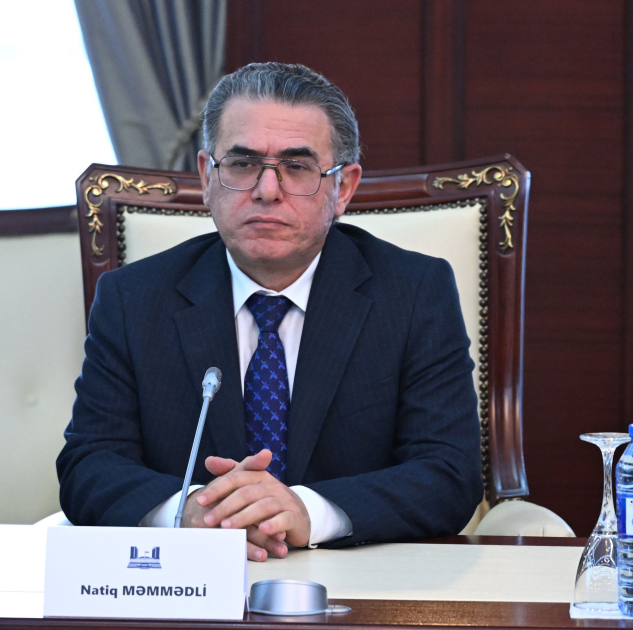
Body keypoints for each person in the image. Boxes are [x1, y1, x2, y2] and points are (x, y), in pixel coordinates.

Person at [57, 62, 482, 561]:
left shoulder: (413, 293)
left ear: (343, 188)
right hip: (189, 580)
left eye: (297, 168)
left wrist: (305, 511)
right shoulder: (133, 298)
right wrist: (194, 511)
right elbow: (89, 466)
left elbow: (448, 473)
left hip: (357, 578)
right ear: (207, 177)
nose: (266, 190)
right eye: (242, 164)